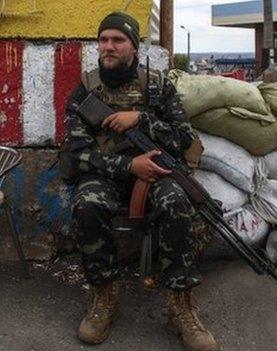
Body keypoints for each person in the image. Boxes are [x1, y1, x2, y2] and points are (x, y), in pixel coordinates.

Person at [58, 11, 218, 351]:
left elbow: (183, 137)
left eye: (118, 40)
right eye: (103, 40)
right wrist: (128, 166)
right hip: (110, 174)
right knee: (87, 204)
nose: (108, 46)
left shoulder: (157, 85)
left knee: (177, 200)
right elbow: (75, 155)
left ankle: (181, 305)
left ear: (133, 46)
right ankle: (104, 298)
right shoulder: (86, 90)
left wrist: (143, 120)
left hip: (157, 174)